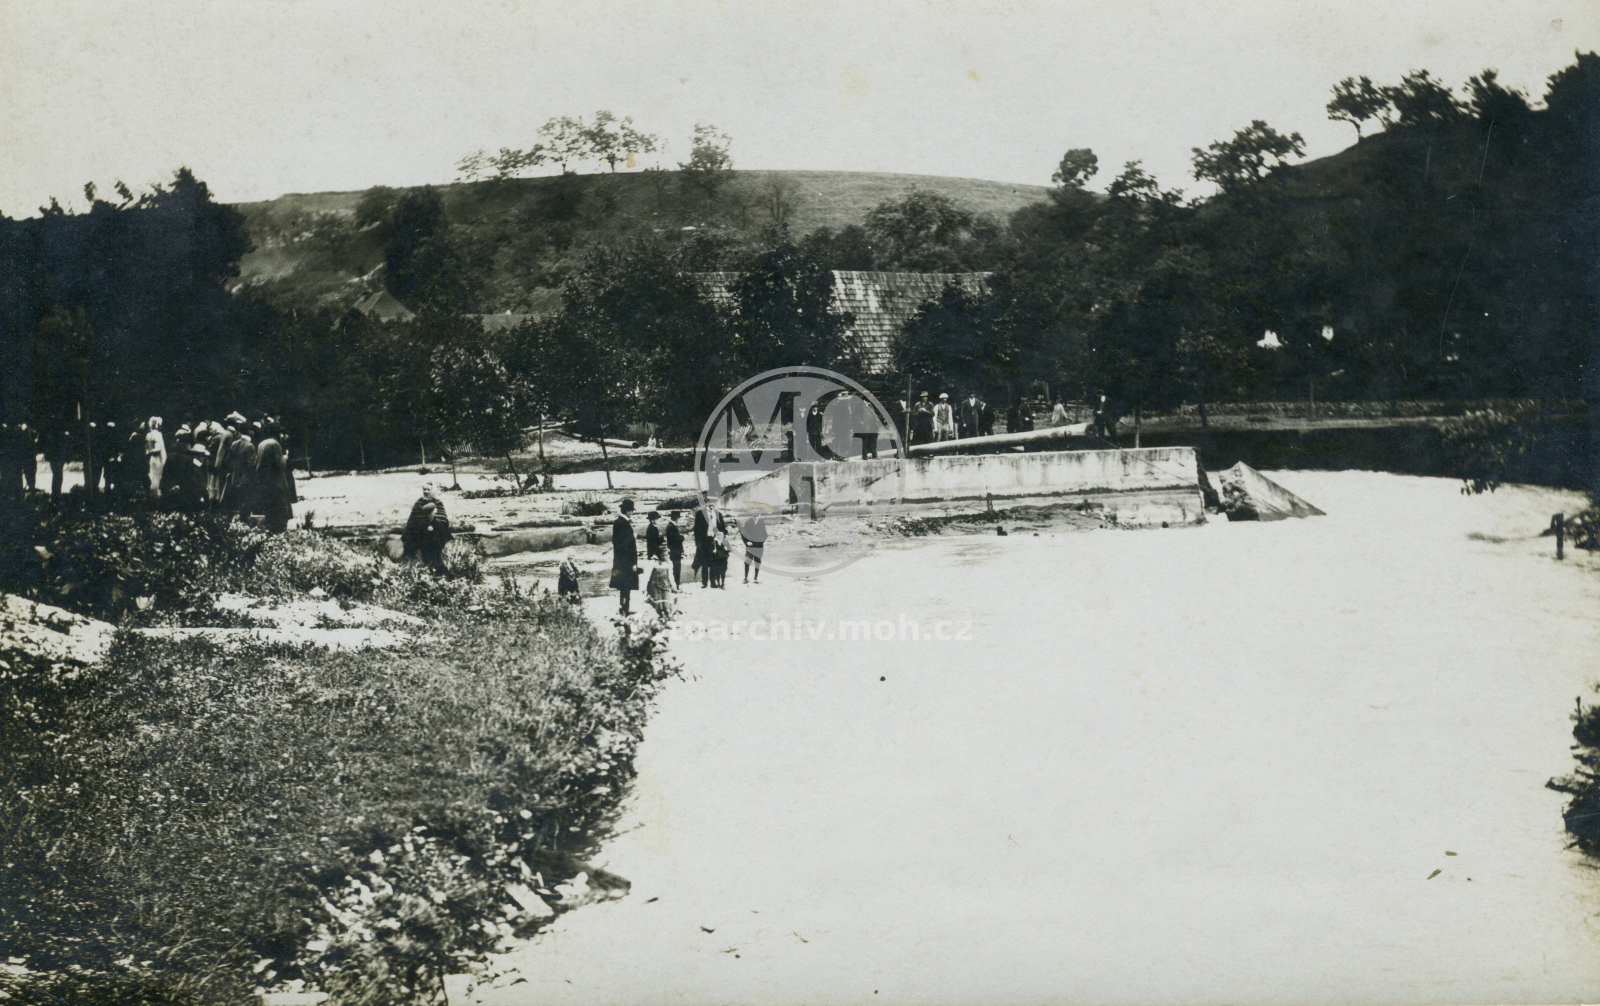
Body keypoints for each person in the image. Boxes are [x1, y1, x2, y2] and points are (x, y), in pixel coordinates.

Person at [253, 424, 297, 533]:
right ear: (277, 433)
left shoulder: (261, 443)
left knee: (270, 507)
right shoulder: (275, 444)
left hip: (265, 480)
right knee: (280, 506)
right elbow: (280, 463)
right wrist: (285, 457)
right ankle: (279, 530)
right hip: (276, 480)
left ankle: (270, 529)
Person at [402, 483, 452, 572]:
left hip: (435, 531)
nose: (426, 492)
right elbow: (413, 519)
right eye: (424, 489)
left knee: (436, 541)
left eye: (428, 489)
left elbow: (443, 519)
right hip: (419, 532)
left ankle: (437, 564)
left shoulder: (438, 503)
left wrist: (434, 523)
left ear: (432, 491)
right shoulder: (418, 502)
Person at [609, 498, 640, 615]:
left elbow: (616, 541)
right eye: (631, 510)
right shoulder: (622, 523)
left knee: (624, 586)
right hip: (625, 561)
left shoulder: (619, 522)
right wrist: (633, 537)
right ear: (627, 511)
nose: (632, 512)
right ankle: (624, 609)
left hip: (620, 560)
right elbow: (621, 543)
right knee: (625, 585)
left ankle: (624, 608)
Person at [740, 514, 768, 584]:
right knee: (747, 561)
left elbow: (765, 534)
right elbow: (743, 534)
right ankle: (745, 578)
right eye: (754, 516)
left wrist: (761, 541)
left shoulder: (761, 522)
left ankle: (755, 578)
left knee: (757, 561)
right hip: (750, 546)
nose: (755, 517)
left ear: (759, 515)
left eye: (757, 515)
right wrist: (747, 542)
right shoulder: (748, 522)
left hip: (759, 546)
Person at [145, 417, 167, 498]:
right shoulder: (158, 434)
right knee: (158, 476)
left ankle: (152, 494)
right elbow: (158, 448)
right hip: (158, 458)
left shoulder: (148, 435)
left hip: (151, 458)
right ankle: (157, 495)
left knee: (152, 475)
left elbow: (147, 449)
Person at [692, 505, 712, 589]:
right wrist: (698, 542)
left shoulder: (715, 514)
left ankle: (713, 582)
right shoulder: (700, 513)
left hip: (712, 541)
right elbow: (696, 528)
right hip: (704, 542)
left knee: (714, 561)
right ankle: (705, 582)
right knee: (704, 562)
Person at [664, 509, 685, 589]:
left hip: (673, 550)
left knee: (674, 569)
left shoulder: (670, 526)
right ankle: (675, 586)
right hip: (675, 551)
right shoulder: (672, 527)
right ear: (676, 518)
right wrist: (682, 538)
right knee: (676, 569)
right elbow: (676, 539)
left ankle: (675, 585)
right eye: (678, 518)